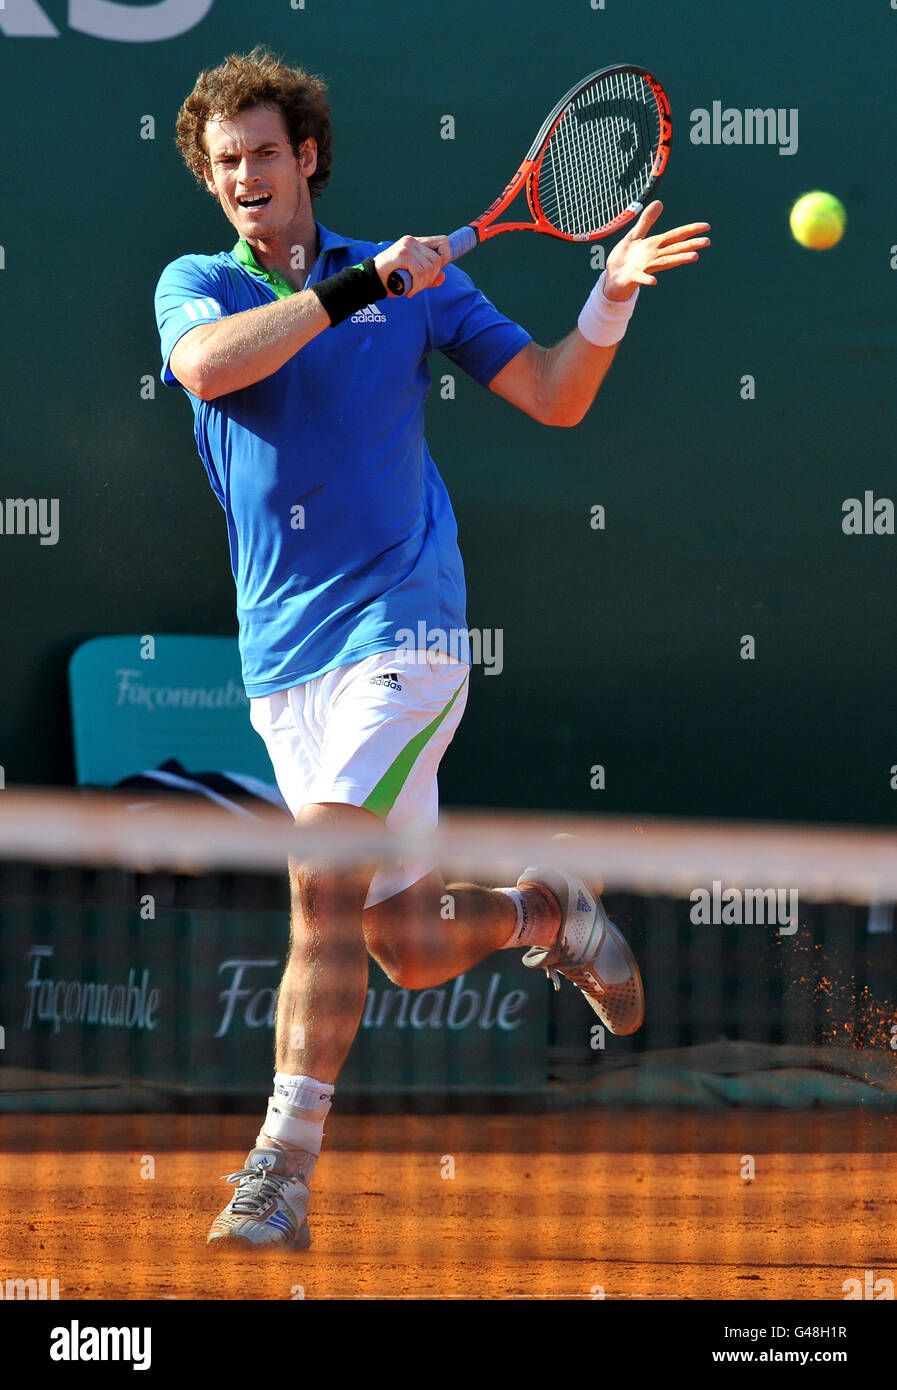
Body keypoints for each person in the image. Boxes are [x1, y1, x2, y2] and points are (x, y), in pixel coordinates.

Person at [154, 45, 710, 1252]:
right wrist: (359, 293)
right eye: (224, 163)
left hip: (401, 632)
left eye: (263, 153)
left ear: (306, 157)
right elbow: (207, 368)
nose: (245, 177)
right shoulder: (198, 281)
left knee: (319, 875)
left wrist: (605, 296)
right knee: (402, 944)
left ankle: (279, 1170)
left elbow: (557, 395)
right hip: (282, 663)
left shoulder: (426, 291)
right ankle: (548, 912)